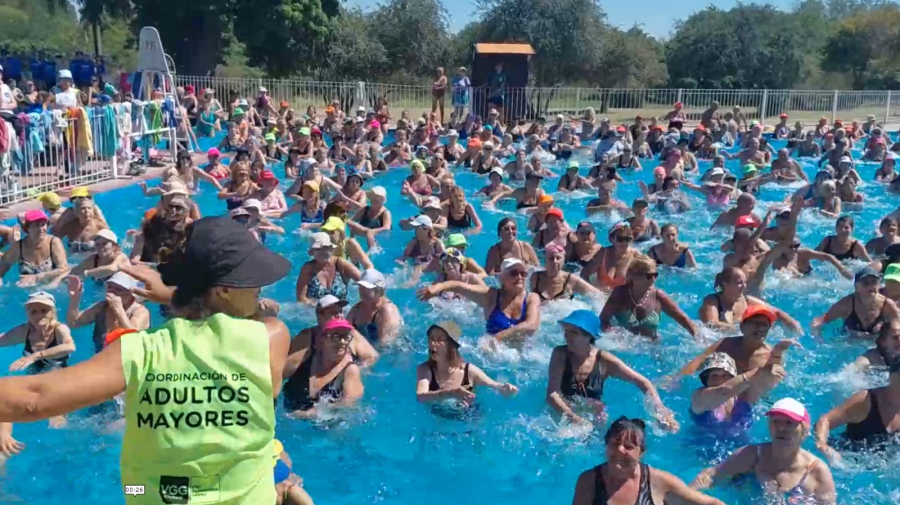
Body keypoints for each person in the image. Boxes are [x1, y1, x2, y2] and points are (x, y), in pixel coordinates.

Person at [0, 217, 295, 504]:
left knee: (136, 487)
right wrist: (174, 295)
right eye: (253, 283)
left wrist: (180, 296)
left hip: (150, 496)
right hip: (250, 497)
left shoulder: (138, 351)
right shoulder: (271, 338)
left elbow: (34, 399)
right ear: (224, 291)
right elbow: (246, 326)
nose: (259, 291)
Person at [547, 310, 678, 430]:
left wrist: (661, 411)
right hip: (563, 411)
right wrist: (574, 418)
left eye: (574, 332)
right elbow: (552, 394)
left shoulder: (604, 361)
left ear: (589, 336)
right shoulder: (560, 354)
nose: (567, 336)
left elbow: (643, 382)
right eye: (566, 331)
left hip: (594, 415)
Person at [692, 399, 837, 505]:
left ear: (804, 430)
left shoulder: (817, 473)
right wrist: (687, 495)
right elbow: (711, 475)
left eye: (789, 423)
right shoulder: (751, 456)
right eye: (776, 422)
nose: (781, 428)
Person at [572, 417, 723, 505]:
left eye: (629, 446)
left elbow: (714, 504)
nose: (619, 450)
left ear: (641, 452)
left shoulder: (659, 482)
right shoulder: (589, 481)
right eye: (614, 443)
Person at [417, 258, 540, 342]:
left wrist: (499, 337)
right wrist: (436, 288)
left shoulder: (532, 298)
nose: (520, 277)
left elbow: (531, 325)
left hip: (521, 354)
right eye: (514, 273)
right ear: (502, 277)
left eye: (523, 273)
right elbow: (458, 286)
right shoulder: (491, 296)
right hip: (495, 354)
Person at [814, 353, 900, 462]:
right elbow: (825, 420)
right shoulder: (866, 400)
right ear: (891, 374)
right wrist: (822, 445)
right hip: (847, 460)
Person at [415, 321, 518, 406]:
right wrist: (452, 393)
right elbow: (421, 397)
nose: (432, 343)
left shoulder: (469, 371)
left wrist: (506, 389)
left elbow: (494, 385)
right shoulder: (425, 369)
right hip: (437, 425)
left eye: (439, 339)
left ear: (452, 346)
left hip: (468, 423)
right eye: (431, 338)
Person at [281, 317, 364, 418]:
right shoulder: (305, 358)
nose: (342, 342)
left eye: (346, 337)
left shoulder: (350, 370)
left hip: (325, 427)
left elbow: (349, 405)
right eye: (336, 336)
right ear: (322, 339)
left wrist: (314, 412)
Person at [599, 256, 697, 339]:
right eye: (649, 276)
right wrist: (612, 334)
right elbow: (603, 320)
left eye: (655, 275)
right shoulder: (620, 294)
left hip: (652, 348)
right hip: (624, 346)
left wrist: (698, 339)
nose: (653, 279)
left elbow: (684, 320)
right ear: (634, 275)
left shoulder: (658, 296)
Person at [690, 352, 781, 437]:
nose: (720, 380)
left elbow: (767, 380)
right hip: (701, 448)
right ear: (706, 379)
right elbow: (724, 391)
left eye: (726, 375)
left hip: (743, 449)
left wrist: (777, 353)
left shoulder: (743, 396)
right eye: (715, 376)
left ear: (733, 377)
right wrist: (758, 371)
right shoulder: (699, 397)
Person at [65, 272, 150, 354]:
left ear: (131, 296)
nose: (112, 292)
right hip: (102, 356)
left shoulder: (140, 312)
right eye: (110, 287)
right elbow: (73, 323)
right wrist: (75, 299)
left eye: (118, 289)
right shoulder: (101, 307)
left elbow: (135, 338)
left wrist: (119, 310)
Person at [812, 266, 900, 337]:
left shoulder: (887, 305)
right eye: (865, 283)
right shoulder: (847, 304)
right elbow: (822, 320)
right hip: (849, 343)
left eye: (874, 282)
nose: (871, 286)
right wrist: (817, 334)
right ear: (857, 287)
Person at [0, 210, 68, 287]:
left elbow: (64, 269)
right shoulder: (19, 246)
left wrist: (36, 277)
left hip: (51, 287)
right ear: (27, 228)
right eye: (36, 225)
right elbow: (4, 264)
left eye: (43, 225)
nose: (40, 229)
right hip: (26, 289)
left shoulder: (53, 242)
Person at [296, 232, 362, 304]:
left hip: (340, 311)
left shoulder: (340, 264)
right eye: (318, 249)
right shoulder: (308, 269)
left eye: (325, 247)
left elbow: (364, 281)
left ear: (331, 249)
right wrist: (321, 308)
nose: (323, 252)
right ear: (313, 252)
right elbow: (301, 298)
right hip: (316, 312)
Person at [346, 269, 402, 345]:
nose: (362, 291)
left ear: (379, 290)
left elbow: (385, 346)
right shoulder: (356, 309)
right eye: (361, 287)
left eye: (367, 288)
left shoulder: (387, 311)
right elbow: (344, 332)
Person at [530, 244, 599, 302]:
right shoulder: (536, 278)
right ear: (545, 261)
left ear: (563, 260)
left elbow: (596, 295)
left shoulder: (571, 279)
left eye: (558, 258)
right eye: (551, 258)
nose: (555, 261)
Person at [581, 222, 639, 291]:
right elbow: (584, 275)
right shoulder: (603, 253)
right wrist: (593, 292)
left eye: (628, 239)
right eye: (620, 239)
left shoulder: (635, 256)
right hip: (600, 296)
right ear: (612, 239)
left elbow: (646, 281)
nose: (624, 242)